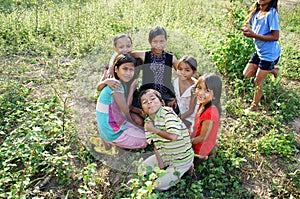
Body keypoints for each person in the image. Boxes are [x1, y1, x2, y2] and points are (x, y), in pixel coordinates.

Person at [138, 89, 194, 191]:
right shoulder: (148, 122)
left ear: (162, 103)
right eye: (145, 102)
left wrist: (154, 130)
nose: (149, 102)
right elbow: (156, 145)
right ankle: (169, 170)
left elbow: (173, 137)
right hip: (166, 155)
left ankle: (187, 166)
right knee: (141, 169)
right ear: (143, 110)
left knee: (158, 185)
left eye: (152, 99)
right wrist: (161, 167)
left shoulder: (168, 115)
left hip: (181, 159)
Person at [95, 53, 147, 150]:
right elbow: (126, 110)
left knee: (143, 133)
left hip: (112, 124)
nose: (128, 73)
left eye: (131, 70)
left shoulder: (114, 81)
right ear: (116, 69)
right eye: (124, 69)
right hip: (112, 131)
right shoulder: (117, 85)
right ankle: (111, 141)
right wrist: (132, 89)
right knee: (145, 142)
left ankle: (109, 139)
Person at [96, 34, 144, 126]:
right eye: (121, 47)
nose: (125, 49)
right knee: (138, 121)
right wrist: (106, 81)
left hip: (131, 98)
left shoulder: (135, 62)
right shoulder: (111, 69)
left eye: (128, 46)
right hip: (119, 104)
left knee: (145, 115)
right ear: (115, 49)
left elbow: (150, 55)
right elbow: (98, 87)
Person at [241, 0, 280, 112]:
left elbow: (275, 36)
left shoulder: (272, 13)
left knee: (257, 82)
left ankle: (254, 107)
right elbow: (255, 26)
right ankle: (273, 70)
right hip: (260, 51)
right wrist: (247, 30)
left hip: (269, 55)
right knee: (247, 74)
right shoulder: (257, 11)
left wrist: (254, 35)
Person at [131, 26, 179, 115]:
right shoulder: (144, 55)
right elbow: (125, 55)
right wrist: (111, 68)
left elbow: (183, 75)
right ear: (149, 42)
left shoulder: (171, 58)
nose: (158, 45)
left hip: (166, 95)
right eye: (155, 42)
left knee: (172, 114)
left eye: (161, 41)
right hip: (147, 95)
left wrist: (177, 97)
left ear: (166, 40)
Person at [191, 73, 222, 160]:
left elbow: (202, 137)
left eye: (207, 91)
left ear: (215, 95)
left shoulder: (210, 113)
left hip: (200, 148)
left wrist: (187, 142)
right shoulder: (205, 103)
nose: (201, 93)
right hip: (196, 136)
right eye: (199, 88)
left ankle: (201, 157)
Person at [173, 55, 199, 129]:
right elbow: (177, 95)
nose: (182, 73)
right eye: (180, 69)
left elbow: (191, 110)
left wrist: (177, 119)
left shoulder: (195, 87)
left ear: (194, 72)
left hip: (190, 118)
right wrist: (174, 100)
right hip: (179, 112)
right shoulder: (176, 82)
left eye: (187, 70)